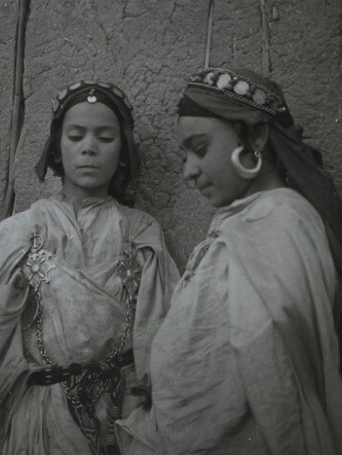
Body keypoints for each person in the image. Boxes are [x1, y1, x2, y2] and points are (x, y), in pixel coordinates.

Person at [116, 66, 342, 454]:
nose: (189, 171)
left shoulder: (280, 225)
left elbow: (274, 379)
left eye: (200, 149)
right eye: (185, 154)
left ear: (255, 136)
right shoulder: (243, 224)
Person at [0, 80, 179, 455]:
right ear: (56, 147)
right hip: (43, 416)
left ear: (123, 151)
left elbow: (157, 328)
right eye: (76, 136)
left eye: (105, 137)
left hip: (121, 410)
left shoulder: (140, 229)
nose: (89, 148)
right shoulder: (22, 230)